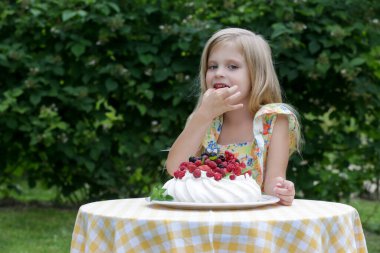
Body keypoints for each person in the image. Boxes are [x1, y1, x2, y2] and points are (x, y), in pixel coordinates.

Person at [166, 28, 302, 206]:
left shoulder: (274, 120)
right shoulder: (205, 120)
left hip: (252, 220)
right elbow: (175, 168)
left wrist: (282, 190)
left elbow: (273, 184)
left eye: (232, 66)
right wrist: (202, 116)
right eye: (212, 66)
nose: (219, 73)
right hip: (207, 217)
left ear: (256, 74)